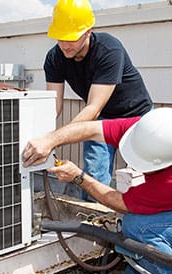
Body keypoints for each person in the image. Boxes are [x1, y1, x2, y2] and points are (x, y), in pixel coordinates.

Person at [22, 107, 172, 274]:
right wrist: (50, 140)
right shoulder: (147, 130)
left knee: (138, 226)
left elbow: (121, 203)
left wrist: (78, 177)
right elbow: (89, 128)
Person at [44, 0, 153, 201]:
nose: (65, 45)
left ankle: (139, 224)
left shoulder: (109, 49)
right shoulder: (54, 58)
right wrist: (43, 137)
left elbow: (93, 107)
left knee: (143, 178)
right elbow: (54, 106)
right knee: (93, 176)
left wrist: (56, 138)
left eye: (72, 38)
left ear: (88, 31)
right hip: (103, 119)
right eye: (60, 38)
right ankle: (96, 225)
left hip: (137, 116)